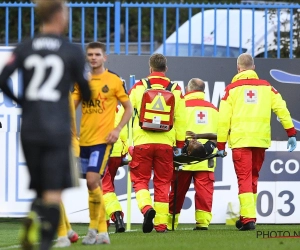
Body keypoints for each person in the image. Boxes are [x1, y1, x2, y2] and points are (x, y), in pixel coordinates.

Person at [0, 1, 91, 249]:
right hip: (57, 128)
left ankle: (31, 221)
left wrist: (24, 102)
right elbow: (86, 91)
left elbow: (3, 79)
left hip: (30, 128)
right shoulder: (71, 50)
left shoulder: (25, 47)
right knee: (53, 192)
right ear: (60, 15)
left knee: (40, 188)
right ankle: (43, 244)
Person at [216, 53, 297, 231]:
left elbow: (223, 120)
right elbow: (281, 108)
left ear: (238, 68)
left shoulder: (231, 90)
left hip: (240, 141)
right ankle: (248, 216)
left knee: (244, 179)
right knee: (253, 178)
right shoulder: (267, 87)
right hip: (260, 140)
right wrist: (291, 132)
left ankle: (248, 219)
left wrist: (220, 144)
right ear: (253, 68)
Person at [72, 41, 133, 244]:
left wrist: (116, 130)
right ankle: (102, 231)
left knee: (93, 180)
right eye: (90, 54)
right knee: (92, 185)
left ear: (104, 57)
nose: (93, 58)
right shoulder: (82, 82)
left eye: (97, 54)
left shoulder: (114, 81)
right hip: (85, 140)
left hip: (103, 141)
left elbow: (128, 108)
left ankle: (94, 229)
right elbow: (70, 107)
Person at [128, 53, 186, 233]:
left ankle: (146, 208)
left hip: (142, 142)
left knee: (140, 180)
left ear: (150, 69)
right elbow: (181, 119)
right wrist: (180, 144)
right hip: (166, 144)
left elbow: (126, 115)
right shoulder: (175, 89)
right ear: (165, 69)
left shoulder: (139, 87)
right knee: (163, 183)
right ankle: (161, 225)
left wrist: (128, 143)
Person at [167, 78, 219, 231]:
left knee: (176, 192)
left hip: (182, 158)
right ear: (204, 91)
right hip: (206, 158)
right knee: (204, 192)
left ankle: (171, 223)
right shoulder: (214, 109)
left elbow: (171, 130)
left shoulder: (179, 106)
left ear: (187, 89)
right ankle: (202, 223)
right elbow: (220, 134)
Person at [53, 94, 79, 248]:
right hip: (67, 146)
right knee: (52, 191)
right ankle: (68, 232)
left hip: (59, 146)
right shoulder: (67, 95)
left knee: (51, 191)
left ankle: (63, 235)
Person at [102, 105, 128, 233]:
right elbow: (124, 134)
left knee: (104, 188)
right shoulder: (119, 109)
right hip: (117, 152)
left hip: (101, 151)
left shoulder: (94, 106)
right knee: (106, 188)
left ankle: (117, 216)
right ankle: (103, 223)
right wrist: (123, 153)